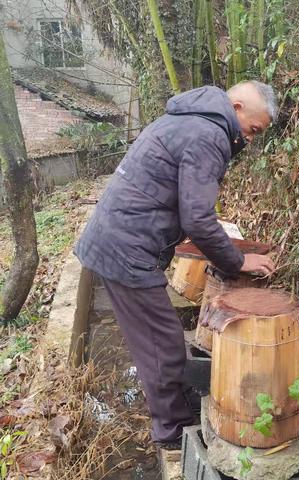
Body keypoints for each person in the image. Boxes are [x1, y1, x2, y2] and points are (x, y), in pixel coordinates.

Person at [74, 80, 277, 450]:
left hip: (118, 237)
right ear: (235, 108)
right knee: (162, 345)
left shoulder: (188, 118)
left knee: (157, 340)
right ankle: (172, 432)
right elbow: (199, 219)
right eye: (252, 130)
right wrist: (238, 261)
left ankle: (173, 414)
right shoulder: (209, 134)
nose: (249, 140)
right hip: (126, 247)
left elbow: (179, 201)